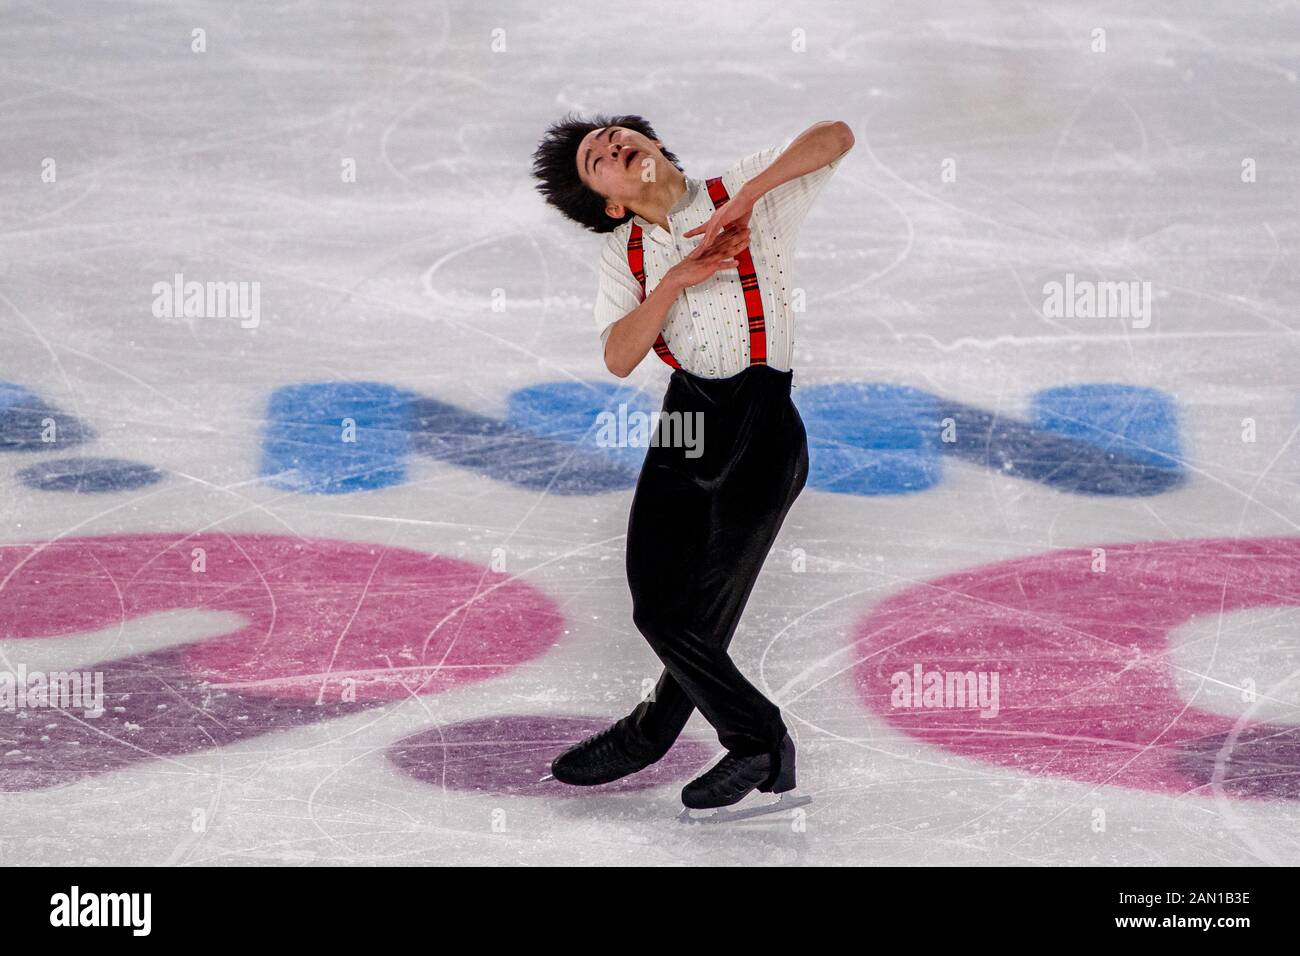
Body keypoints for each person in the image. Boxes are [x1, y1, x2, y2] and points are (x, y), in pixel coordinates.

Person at [531, 113, 852, 812]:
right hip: (688, 417)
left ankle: (734, 741)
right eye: (597, 158)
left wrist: (748, 196)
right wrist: (675, 280)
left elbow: (836, 136)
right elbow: (618, 356)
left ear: (651, 145)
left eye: (616, 135)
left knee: (703, 609)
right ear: (610, 202)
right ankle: (684, 734)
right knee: (659, 606)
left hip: (763, 422)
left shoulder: (742, 189)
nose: (613, 144)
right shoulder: (627, 253)